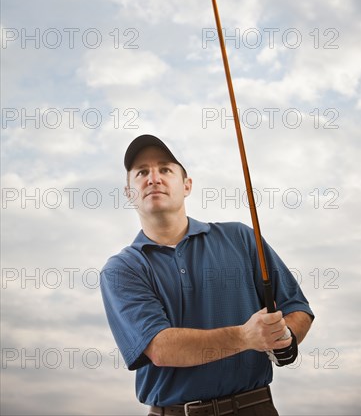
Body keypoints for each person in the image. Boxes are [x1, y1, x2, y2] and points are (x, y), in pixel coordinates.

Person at [100, 134, 314, 416]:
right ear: (129, 192)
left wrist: (285, 337)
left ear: (187, 185)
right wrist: (246, 337)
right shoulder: (121, 270)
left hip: (255, 407)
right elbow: (161, 348)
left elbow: (297, 307)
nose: (153, 178)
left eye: (165, 169)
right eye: (142, 172)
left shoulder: (240, 237)